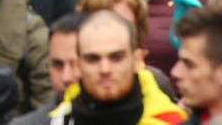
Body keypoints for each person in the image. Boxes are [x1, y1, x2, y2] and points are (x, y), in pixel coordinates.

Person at [45, 11, 185, 125]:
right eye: (93, 59)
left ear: (137, 60)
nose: (105, 69)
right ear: (79, 65)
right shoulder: (58, 120)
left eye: (116, 57)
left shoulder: (171, 122)